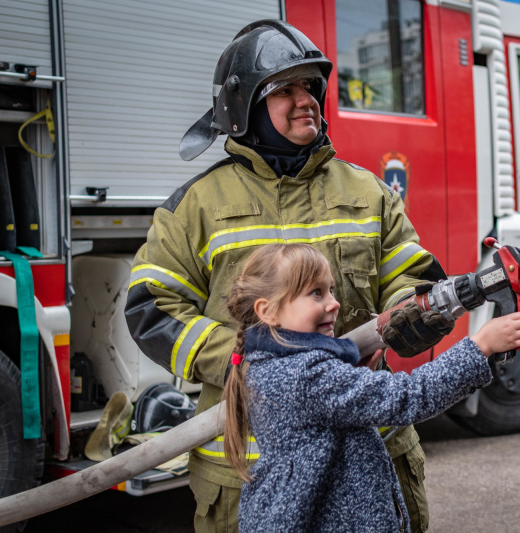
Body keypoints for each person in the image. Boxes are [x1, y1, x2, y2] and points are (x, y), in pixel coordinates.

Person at [125, 20, 454, 533]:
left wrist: (406, 318)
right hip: (248, 475)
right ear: (246, 106)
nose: (307, 100)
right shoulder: (196, 207)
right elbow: (151, 306)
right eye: (285, 89)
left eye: (311, 87)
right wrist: (243, 361)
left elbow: (411, 278)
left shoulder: (369, 192)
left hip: (370, 458)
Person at [222, 243, 520, 533]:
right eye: (316, 293)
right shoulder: (307, 375)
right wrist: (481, 346)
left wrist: (349, 378)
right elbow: (410, 398)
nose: (334, 303)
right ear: (268, 311)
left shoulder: (269, 364)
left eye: (331, 290)